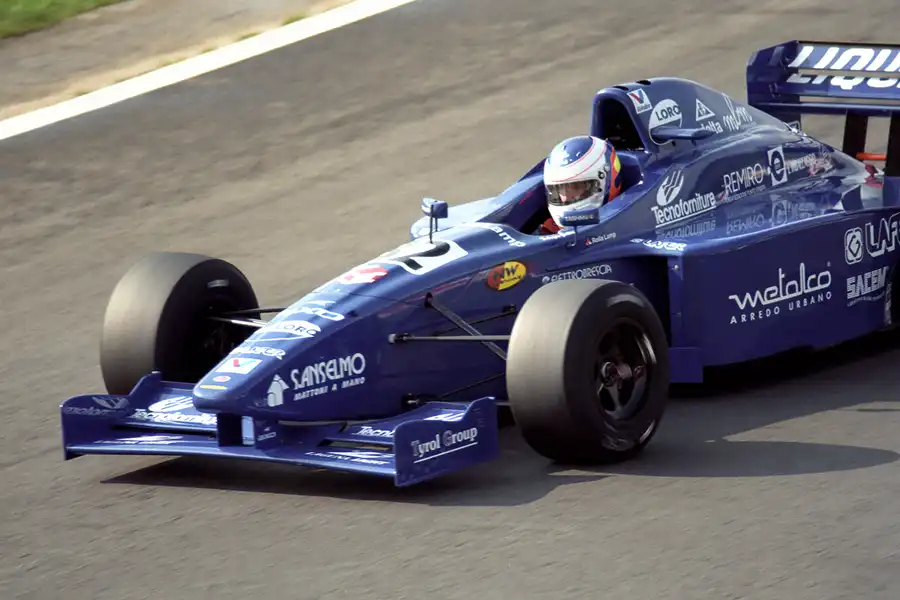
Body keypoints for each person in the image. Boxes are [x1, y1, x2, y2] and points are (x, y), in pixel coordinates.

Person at [539, 135, 624, 234]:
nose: (565, 198)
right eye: (559, 189)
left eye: (576, 187)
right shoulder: (547, 231)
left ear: (606, 180)